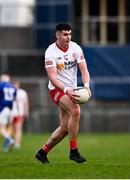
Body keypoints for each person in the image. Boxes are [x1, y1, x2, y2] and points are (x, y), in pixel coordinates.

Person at [35, 23, 91, 164]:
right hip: (57, 89)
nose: (68, 37)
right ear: (57, 35)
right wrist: (66, 90)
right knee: (76, 111)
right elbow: (52, 78)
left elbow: (84, 70)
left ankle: (43, 152)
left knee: (65, 127)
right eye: (65, 34)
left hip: (71, 89)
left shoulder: (75, 48)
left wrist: (86, 86)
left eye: (70, 34)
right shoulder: (51, 52)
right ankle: (74, 152)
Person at [0, 73, 17, 152]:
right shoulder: (13, 87)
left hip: (2, 109)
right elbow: (14, 99)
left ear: (2, 78)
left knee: (2, 129)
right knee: (6, 128)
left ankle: (9, 140)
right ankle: (6, 146)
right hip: (10, 110)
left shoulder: (0, 85)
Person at [11, 80, 29, 149]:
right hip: (12, 113)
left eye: (16, 84)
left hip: (20, 113)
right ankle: (14, 142)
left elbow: (26, 103)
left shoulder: (23, 93)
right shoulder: (10, 92)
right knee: (14, 129)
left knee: (18, 128)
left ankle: (17, 143)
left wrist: (26, 112)